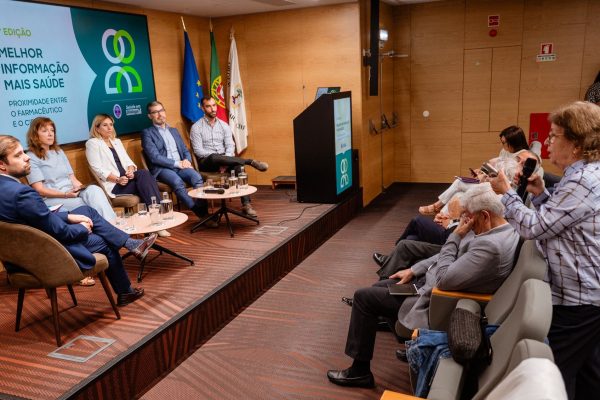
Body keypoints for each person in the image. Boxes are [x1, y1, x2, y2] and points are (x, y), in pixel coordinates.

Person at [327, 183, 519, 388]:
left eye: (468, 217)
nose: (466, 223)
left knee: (363, 298)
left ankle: (359, 372)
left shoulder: (490, 246)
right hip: (428, 285)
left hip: (436, 300)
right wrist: (414, 269)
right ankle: (410, 342)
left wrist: (456, 235)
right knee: (379, 287)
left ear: (485, 215)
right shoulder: (500, 228)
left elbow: (443, 278)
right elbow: (446, 255)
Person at [488, 101, 600, 400]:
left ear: (576, 144)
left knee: (552, 376)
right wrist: (539, 194)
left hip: (579, 299)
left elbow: (533, 228)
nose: (547, 142)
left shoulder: (582, 181)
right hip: (585, 293)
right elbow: (560, 222)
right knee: (589, 374)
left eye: (554, 136)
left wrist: (506, 194)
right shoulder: (581, 176)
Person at [0, 135, 154, 306]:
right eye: (18, 155)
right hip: (46, 252)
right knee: (104, 241)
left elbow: (33, 219)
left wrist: (67, 216)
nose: (26, 157)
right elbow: (60, 232)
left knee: (86, 211)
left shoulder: (7, 189)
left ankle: (131, 243)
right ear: (2, 165)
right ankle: (125, 291)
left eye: (23, 152)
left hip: (20, 254)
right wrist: (82, 227)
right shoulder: (22, 193)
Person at [86, 114, 170, 237]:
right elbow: (97, 169)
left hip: (127, 179)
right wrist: (117, 179)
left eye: (111, 124)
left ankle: (156, 221)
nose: (109, 128)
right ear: (97, 128)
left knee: (144, 174)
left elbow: (128, 161)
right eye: (105, 125)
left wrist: (130, 170)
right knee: (147, 183)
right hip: (114, 184)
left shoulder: (116, 141)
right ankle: (158, 220)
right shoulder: (92, 143)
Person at [418, 125, 526, 215]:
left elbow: (510, 180)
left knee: (459, 184)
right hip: (491, 183)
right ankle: (442, 216)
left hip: (500, 190)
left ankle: (437, 208)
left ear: (513, 142)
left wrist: (487, 178)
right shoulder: (505, 151)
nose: (502, 145)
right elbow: (494, 166)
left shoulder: (523, 156)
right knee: (458, 194)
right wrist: (482, 171)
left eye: (504, 143)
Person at [190, 96, 269, 218]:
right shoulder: (196, 127)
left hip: (225, 159)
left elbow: (230, 146)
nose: (213, 109)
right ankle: (249, 161)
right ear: (202, 108)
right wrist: (220, 160)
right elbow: (198, 151)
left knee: (239, 167)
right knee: (214, 157)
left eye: (214, 105)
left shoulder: (224, 125)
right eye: (208, 106)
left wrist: (225, 162)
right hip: (207, 162)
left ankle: (246, 205)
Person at [26, 117, 116, 220]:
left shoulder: (59, 152)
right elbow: (39, 190)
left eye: (52, 130)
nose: (50, 134)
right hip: (52, 198)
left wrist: (81, 189)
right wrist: (65, 194)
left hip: (71, 192)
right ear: (35, 135)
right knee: (85, 203)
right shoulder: (31, 157)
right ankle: (111, 225)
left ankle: (111, 223)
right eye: (45, 131)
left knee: (95, 190)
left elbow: (73, 179)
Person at [141, 101, 215, 227]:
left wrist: (187, 160)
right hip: (163, 168)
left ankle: (204, 211)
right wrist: (177, 163)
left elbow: (185, 150)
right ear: (150, 116)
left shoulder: (174, 130)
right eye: (155, 112)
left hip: (182, 165)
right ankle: (200, 213)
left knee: (197, 177)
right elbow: (154, 157)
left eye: (161, 110)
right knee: (177, 182)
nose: (160, 114)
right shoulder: (147, 133)